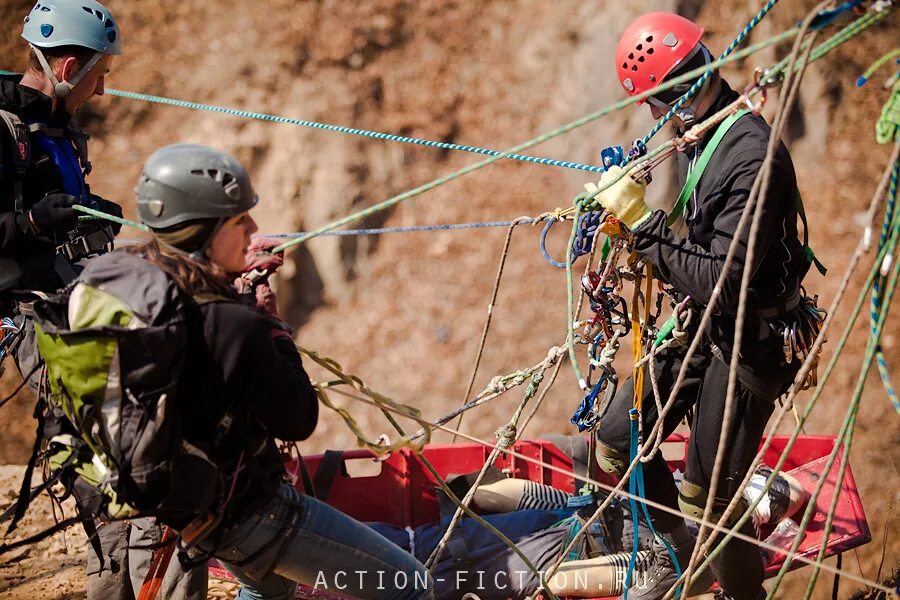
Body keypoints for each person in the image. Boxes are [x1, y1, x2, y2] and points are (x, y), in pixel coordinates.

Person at [128, 143, 433, 600]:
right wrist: (271, 324)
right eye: (238, 221)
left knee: (267, 592)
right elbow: (299, 419)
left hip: (178, 501)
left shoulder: (136, 281)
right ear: (203, 232)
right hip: (246, 509)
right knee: (410, 585)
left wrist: (234, 283)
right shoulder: (236, 324)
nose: (253, 228)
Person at [583, 12, 814, 600]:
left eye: (655, 109)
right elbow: (705, 250)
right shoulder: (703, 132)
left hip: (752, 337)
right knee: (616, 440)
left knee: (708, 498)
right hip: (709, 321)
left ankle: (735, 585)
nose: (656, 123)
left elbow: (726, 277)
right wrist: (639, 230)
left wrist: (641, 226)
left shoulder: (752, 158)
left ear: (670, 100)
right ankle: (681, 553)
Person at [0, 2, 205, 598]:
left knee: (127, 465)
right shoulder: (2, 132)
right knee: (125, 468)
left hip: (76, 305)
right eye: (99, 73)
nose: (104, 86)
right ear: (66, 65)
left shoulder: (55, 130)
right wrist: (34, 222)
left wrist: (89, 223)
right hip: (38, 322)